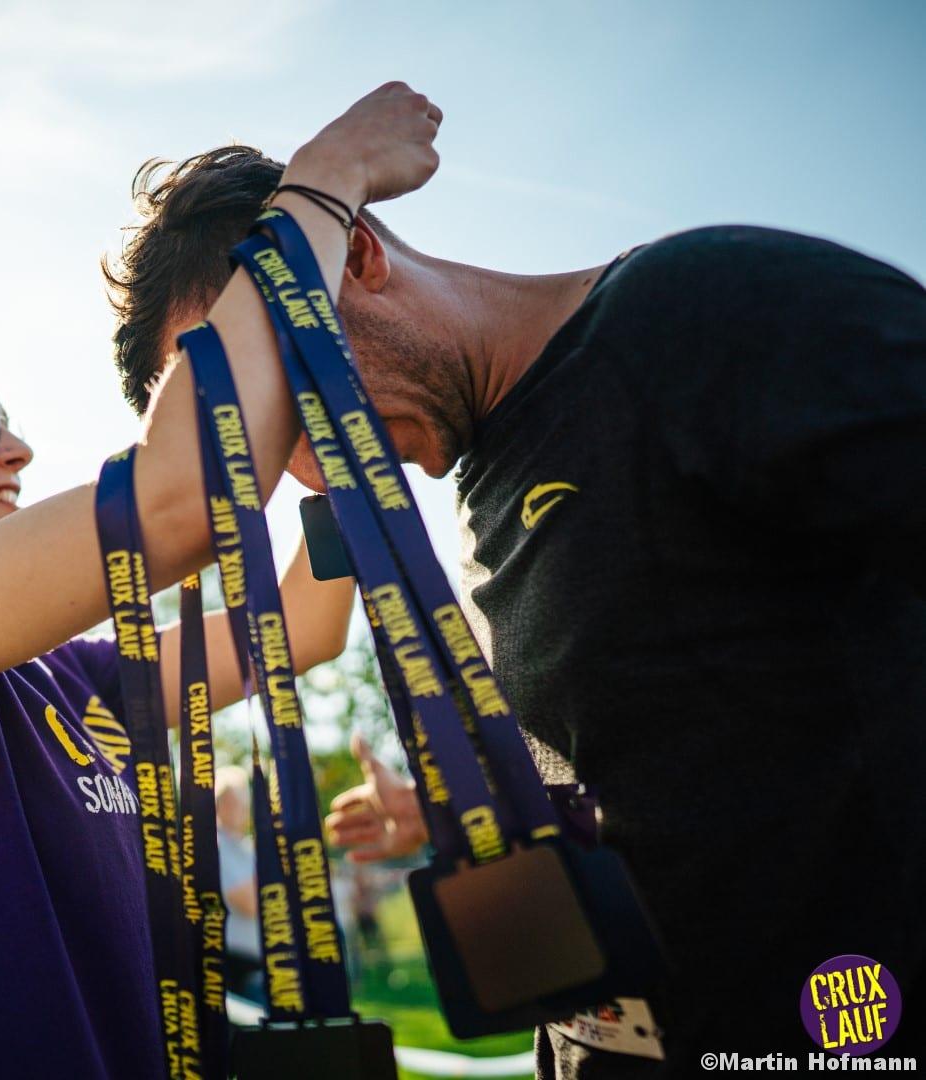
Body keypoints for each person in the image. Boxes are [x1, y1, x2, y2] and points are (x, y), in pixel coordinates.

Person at [103, 141, 926, 1072]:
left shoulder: (709, 307)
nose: (301, 470)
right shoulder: (469, 476)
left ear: (359, 257)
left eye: (287, 406)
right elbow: (688, 733)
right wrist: (464, 808)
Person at [0, 81, 439, 1078]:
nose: (18, 449)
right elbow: (183, 504)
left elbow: (298, 629)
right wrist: (324, 185)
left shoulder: (59, 679)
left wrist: (334, 459)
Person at [212, 766, 262, 1002]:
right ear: (218, 805)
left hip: (255, 961)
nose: (243, 810)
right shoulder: (217, 847)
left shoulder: (244, 847)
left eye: (244, 802)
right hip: (235, 965)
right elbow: (250, 904)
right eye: (235, 802)